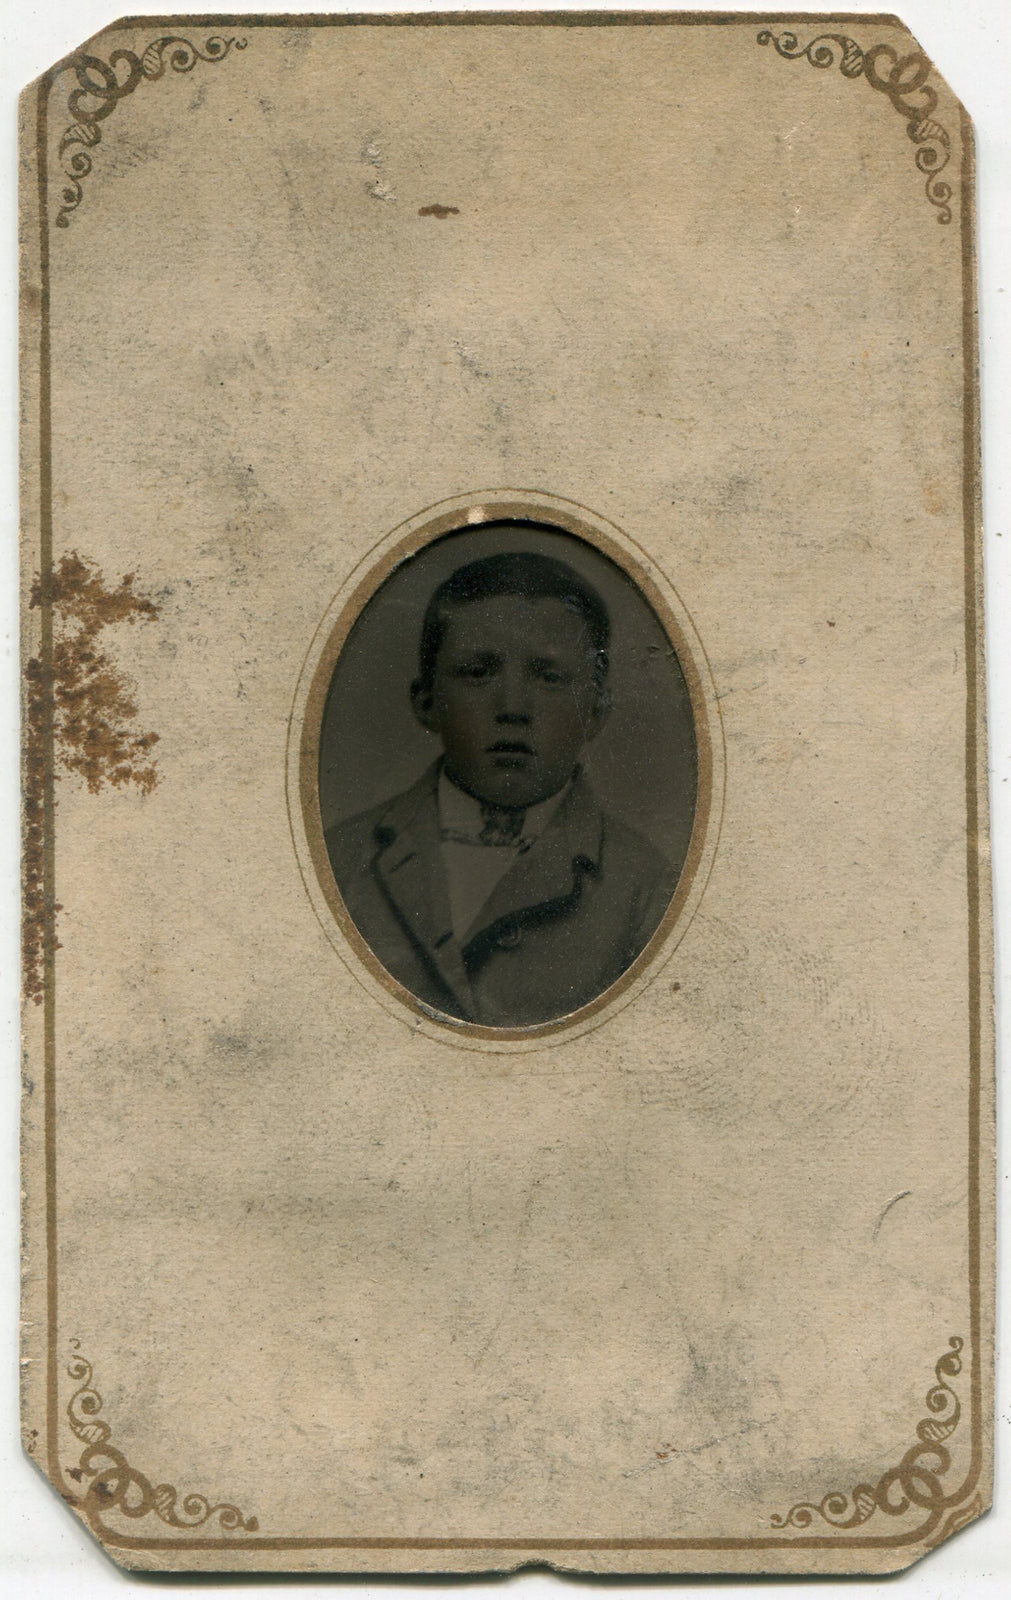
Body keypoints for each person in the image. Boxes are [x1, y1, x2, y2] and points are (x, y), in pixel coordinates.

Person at [325, 551, 679, 1027]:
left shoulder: (649, 892)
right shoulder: (338, 863)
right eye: (478, 672)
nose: (513, 707)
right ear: (426, 701)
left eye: (550, 677)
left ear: (595, 710)